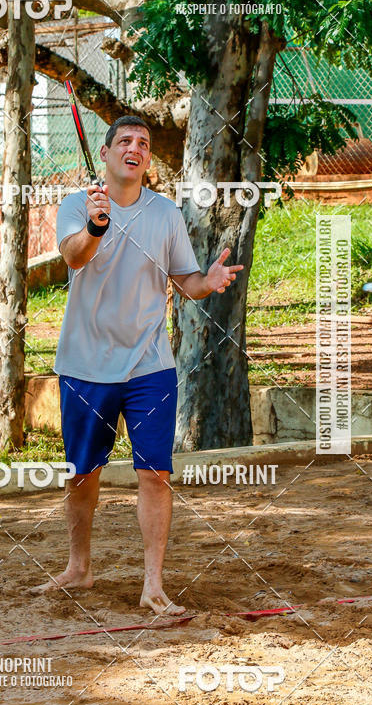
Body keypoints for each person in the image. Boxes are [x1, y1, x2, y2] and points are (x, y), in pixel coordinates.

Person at [34, 115, 243, 615]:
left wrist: (209, 281)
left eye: (144, 143)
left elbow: (186, 282)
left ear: (147, 159)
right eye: (125, 140)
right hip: (85, 365)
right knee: (82, 474)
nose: (136, 147)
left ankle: (153, 584)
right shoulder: (78, 206)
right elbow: (74, 258)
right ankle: (79, 568)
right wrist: (95, 226)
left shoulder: (165, 213)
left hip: (150, 366)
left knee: (155, 473)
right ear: (106, 153)